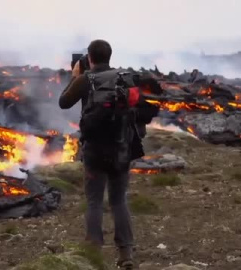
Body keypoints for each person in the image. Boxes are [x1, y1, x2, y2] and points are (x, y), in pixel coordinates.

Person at [59, 39, 139, 268]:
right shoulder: (124, 78)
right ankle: (126, 255)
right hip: (121, 148)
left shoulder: (85, 80)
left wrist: (75, 76)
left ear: (90, 58)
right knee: (118, 200)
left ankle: (93, 251)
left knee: (94, 202)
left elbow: (64, 102)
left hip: (94, 151)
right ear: (109, 56)